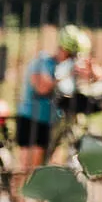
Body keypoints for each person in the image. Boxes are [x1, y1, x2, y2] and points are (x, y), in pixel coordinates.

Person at [16, 24, 96, 175]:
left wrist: (90, 69)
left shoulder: (64, 66)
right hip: (32, 120)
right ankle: (15, 191)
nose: (73, 59)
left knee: (48, 171)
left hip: (52, 124)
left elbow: (95, 78)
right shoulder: (41, 62)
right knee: (28, 170)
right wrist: (69, 73)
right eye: (72, 55)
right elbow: (42, 88)